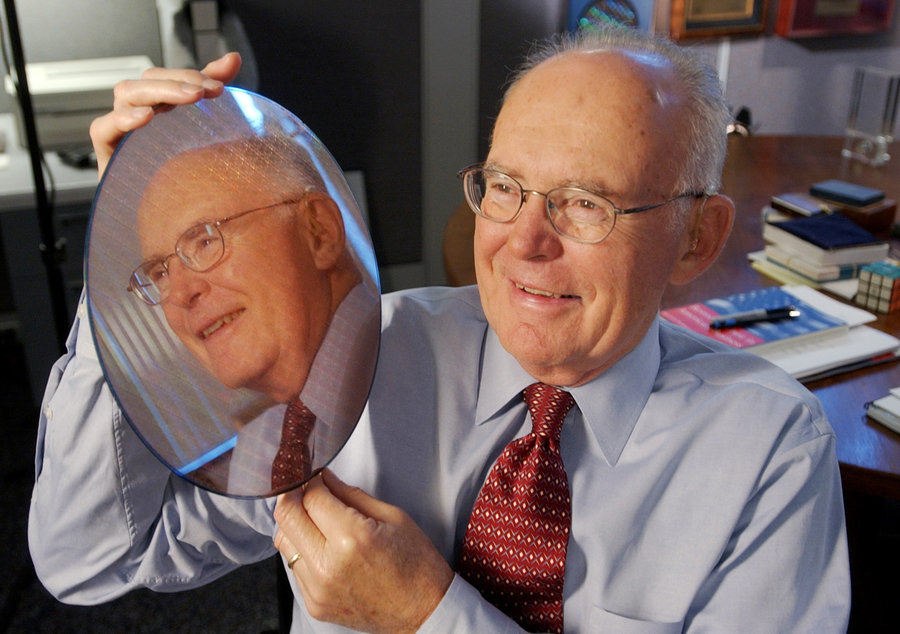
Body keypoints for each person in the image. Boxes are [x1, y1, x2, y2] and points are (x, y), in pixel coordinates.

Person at [29, 26, 850, 632]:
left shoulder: (767, 448)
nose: (524, 242)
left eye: (585, 203)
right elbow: (94, 559)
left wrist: (427, 616)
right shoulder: (363, 358)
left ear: (697, 237)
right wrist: (117, 254)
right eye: (505, 188)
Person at [120, 136, 379, 494]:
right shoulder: (260, 453)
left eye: (205, 241)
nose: (179, 294)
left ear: (318, 230)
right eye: (160, 273)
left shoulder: (443, 362)